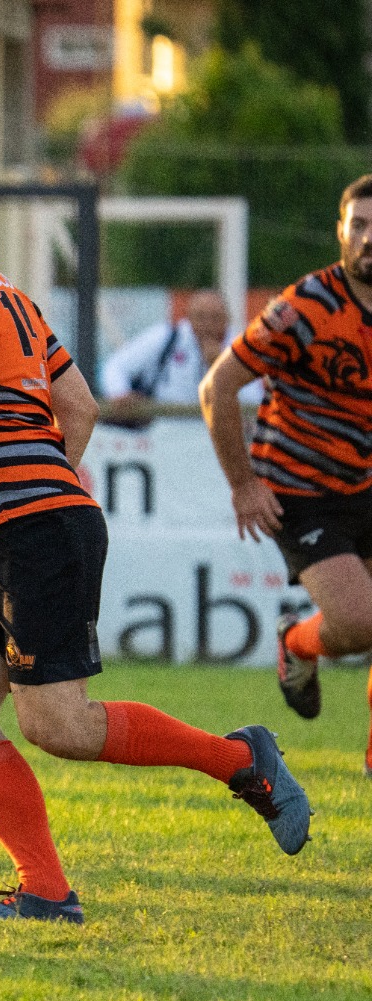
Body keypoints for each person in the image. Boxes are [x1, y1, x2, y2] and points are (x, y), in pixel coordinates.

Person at [0, 149, 311, 924]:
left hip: (21, 530)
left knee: (59, 725)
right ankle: (43, 890)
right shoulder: (9, 296)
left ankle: (242, 759)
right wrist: (38, 480)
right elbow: (80, 406)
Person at [200, 173, 372, 774]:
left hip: (366, 480)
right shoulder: (306, 306)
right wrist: (243, 484)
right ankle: (297, 642)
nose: (369, 238)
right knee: (360, 622)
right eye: (359, 225)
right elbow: (217, 387)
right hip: (301, 488)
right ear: (340, 232)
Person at [99, 288, 259, 426]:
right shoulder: (168, 337)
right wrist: (121, 393)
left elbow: (253, 402)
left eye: (215, 317)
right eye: (201, 317)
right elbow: (115, 366)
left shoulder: (240, 348)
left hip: (216, 438)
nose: (208, 324)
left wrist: (221, 369)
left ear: (226, 319)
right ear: (188, 317)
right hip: (166, 433)